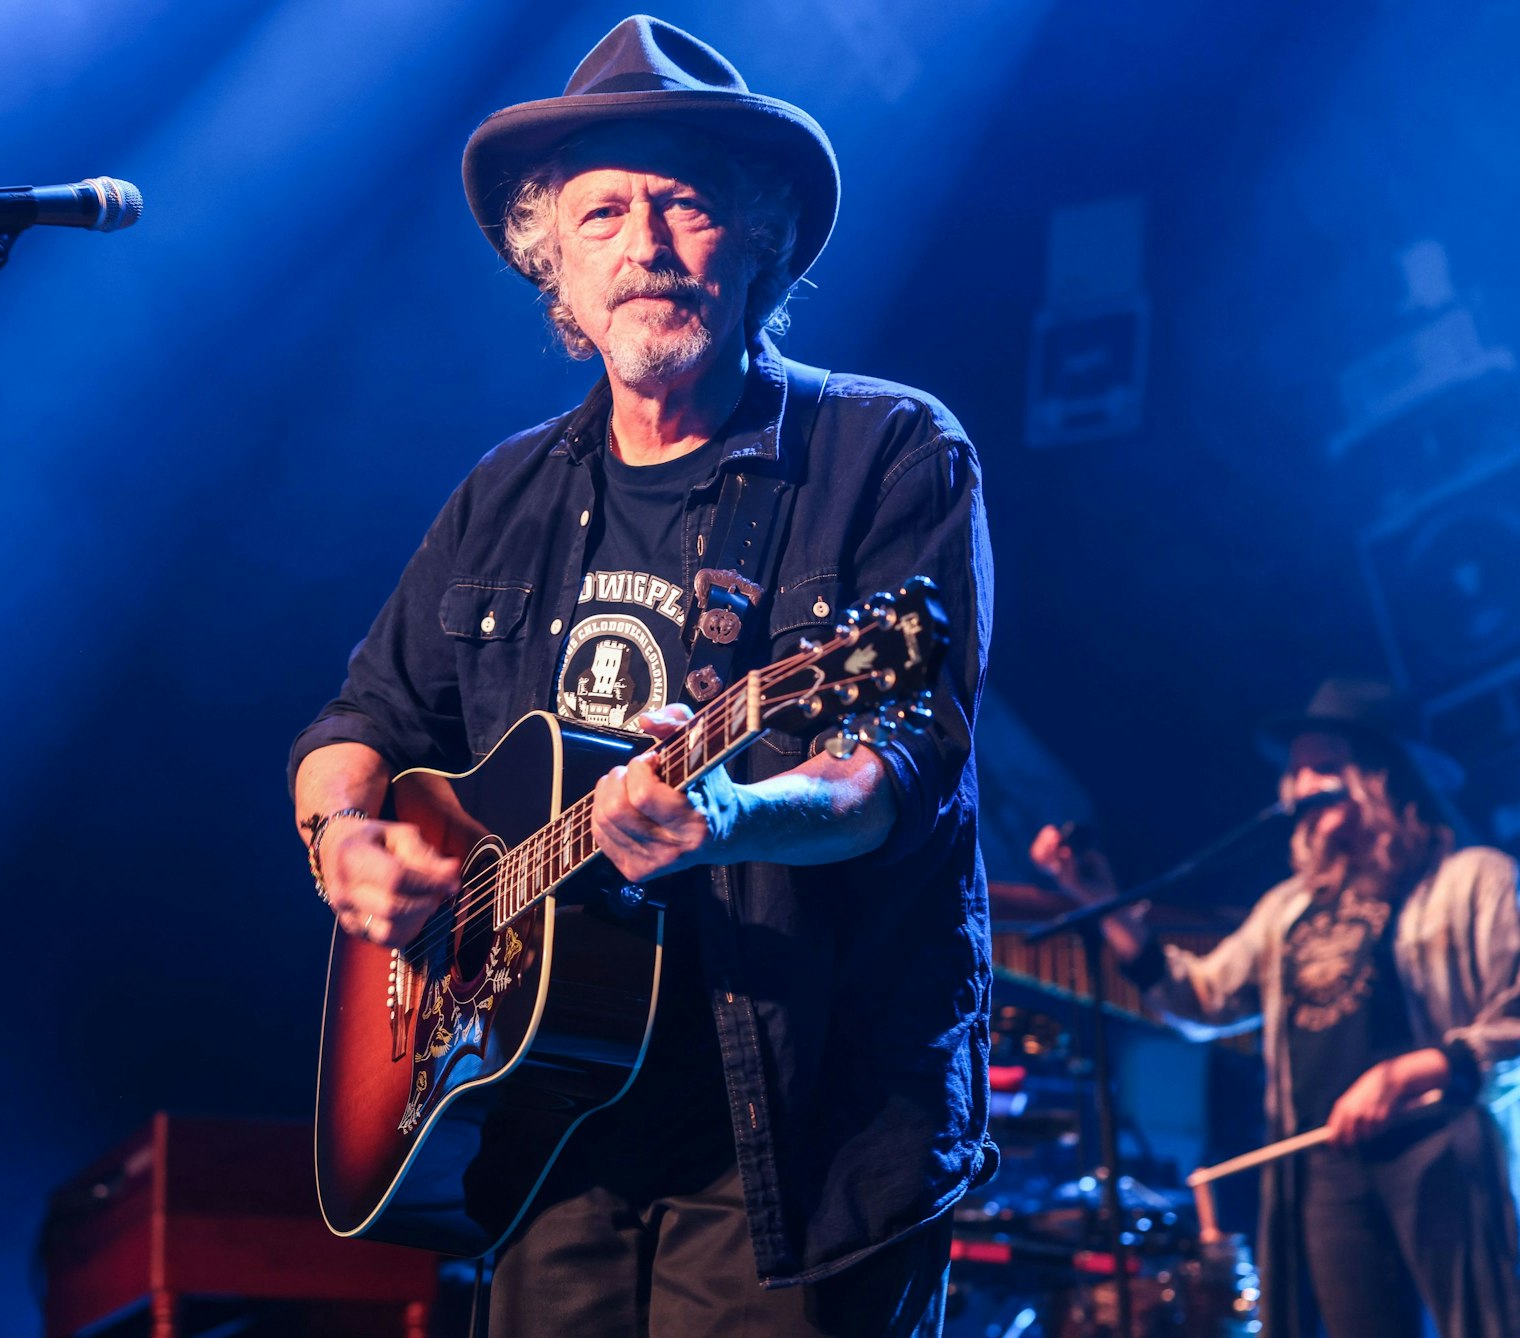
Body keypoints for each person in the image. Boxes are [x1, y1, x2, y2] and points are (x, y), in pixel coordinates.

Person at [288, 16, 995, 1337]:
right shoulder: (501, 493)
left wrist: (727, 815)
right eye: (603, 213)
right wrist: (342, 840)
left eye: (686, 206)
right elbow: (362, 718)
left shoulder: (887, 450)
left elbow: (901, 760)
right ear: (551, 262)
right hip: (548, 1131)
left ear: (762, 240)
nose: (647, 247)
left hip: (800, 1141)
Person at [1031, 679, 1520, 1338]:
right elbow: (1200, 1000)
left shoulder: (1471, 879)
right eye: (1291, 772)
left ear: (1380, 775)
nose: (1296, 787)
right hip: (1325, 1163)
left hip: (1434, 1146)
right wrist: (1104, 903)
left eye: (1320, 766)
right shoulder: (1287, 909)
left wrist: (1418, 1069)